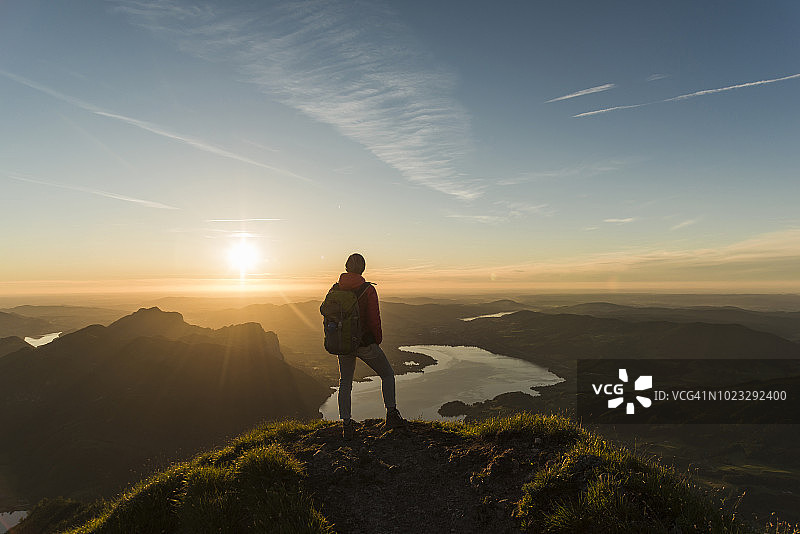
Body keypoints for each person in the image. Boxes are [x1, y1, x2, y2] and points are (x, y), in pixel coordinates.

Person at [331, 253, 405, 439]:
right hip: (364, 343)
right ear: (363, 269)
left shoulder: (335, 289)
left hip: (343, 343)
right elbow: (374, 319)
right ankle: (391, 414)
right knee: (387, 374)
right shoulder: (368, 290)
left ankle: (346, 425)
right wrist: (376, 340)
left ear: (346, 267)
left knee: (345, 382)